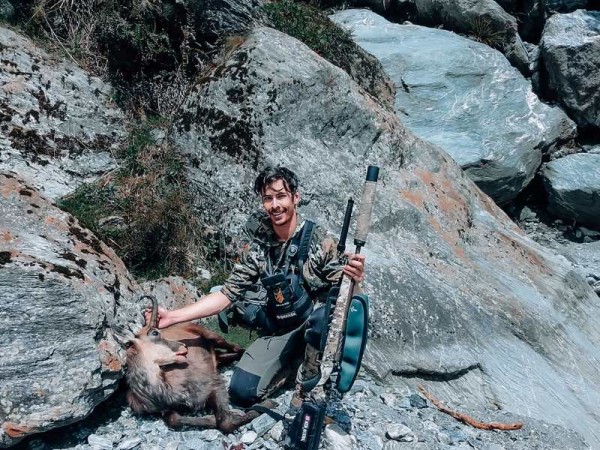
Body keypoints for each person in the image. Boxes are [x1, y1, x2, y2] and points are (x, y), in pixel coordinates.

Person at [151, 166, 365, 408]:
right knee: (242, 392)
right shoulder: (259, 245)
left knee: (321, 318)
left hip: (313, 324)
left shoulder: (320, 240)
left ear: (295, 197)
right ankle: (290, 365)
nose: (275, 205)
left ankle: (308, 383)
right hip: (281, 326)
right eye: (268, 198)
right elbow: (226, 294)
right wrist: (172, 317)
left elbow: (348, 296)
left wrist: (356, 279)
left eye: (281, 196)